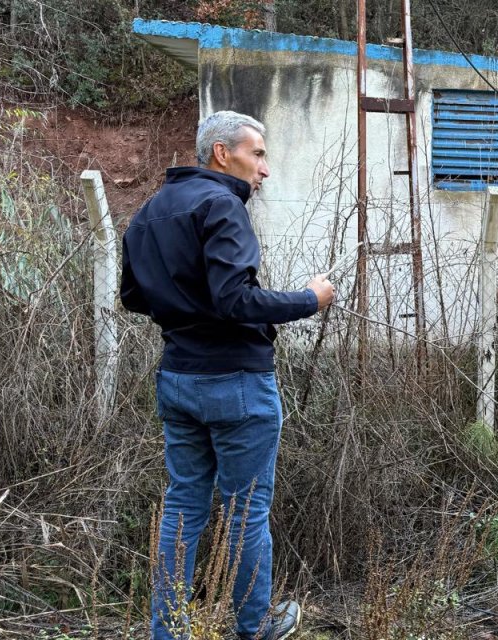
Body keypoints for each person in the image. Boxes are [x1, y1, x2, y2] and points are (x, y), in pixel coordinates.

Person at [120, 110, 335, 640]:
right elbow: (236, 299)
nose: (264, 170)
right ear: (223, 153)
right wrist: (310, 299)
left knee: (183, 505)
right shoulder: (222, 204)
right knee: (245, 511)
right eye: (257, 154)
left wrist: (185, 318)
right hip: (236, 381)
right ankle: (255, 626)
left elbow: (131, 296)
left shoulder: (150, 210)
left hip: (177, 378)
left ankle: (167, 630)